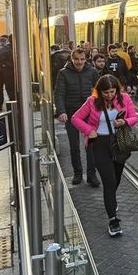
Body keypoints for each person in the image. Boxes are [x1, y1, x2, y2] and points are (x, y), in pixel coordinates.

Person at [71, 74, 137, 236]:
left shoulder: (125, 99)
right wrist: (89, 130)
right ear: (99, 92)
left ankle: (110, 201)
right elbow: (75, 118)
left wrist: (125, 122)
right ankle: (113, 219)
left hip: (119, 143)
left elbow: (134, 117)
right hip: (99, 144)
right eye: (105, 92)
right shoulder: (92, 102)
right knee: (109, 181)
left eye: (112, 92)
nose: (109, 95)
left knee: (116, 179)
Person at [54, 49, 100, 186]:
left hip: (89, 113)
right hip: (72, 113)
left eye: (82, 59)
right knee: (74, 145)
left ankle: (92, 175)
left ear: (86, 59)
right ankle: (77, 173)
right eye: (76, 59)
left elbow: (99, 90)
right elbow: (59, 93)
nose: (79, 62)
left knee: (91, 145)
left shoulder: (92, 72)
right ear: (72, 59)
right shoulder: (63, 73)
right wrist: (61, 111)